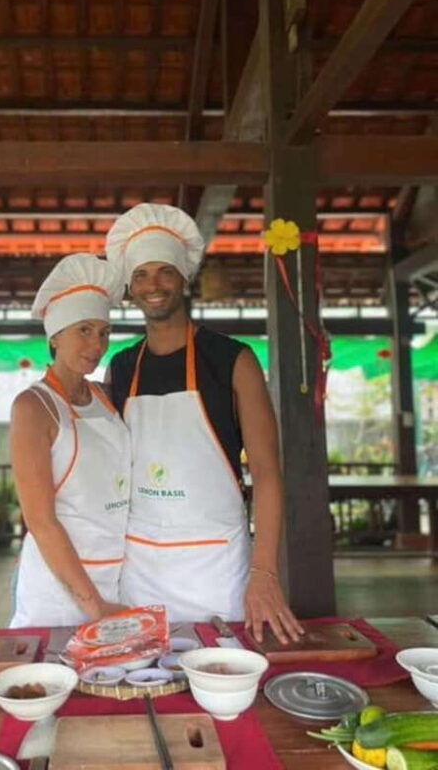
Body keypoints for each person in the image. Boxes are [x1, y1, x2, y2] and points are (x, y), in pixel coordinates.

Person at [106, 203, 303, 643]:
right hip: (140, 568)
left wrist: (265, 573)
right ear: (130, 287)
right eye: (140, 274)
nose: (152, 284)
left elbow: (268, 474)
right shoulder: (119, 368)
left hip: (217, 569)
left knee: (225, 677)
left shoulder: (233, 360)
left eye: (163, 272)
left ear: (183, 278)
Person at [9, 253, 131, 627]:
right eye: (84, 330)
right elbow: (40, 520)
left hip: (116, 575)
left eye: (104, 332)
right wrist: (93, 604)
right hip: (58, 588)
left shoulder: (105, 397)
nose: (96, 344)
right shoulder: (33, 406)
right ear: (55, 335)